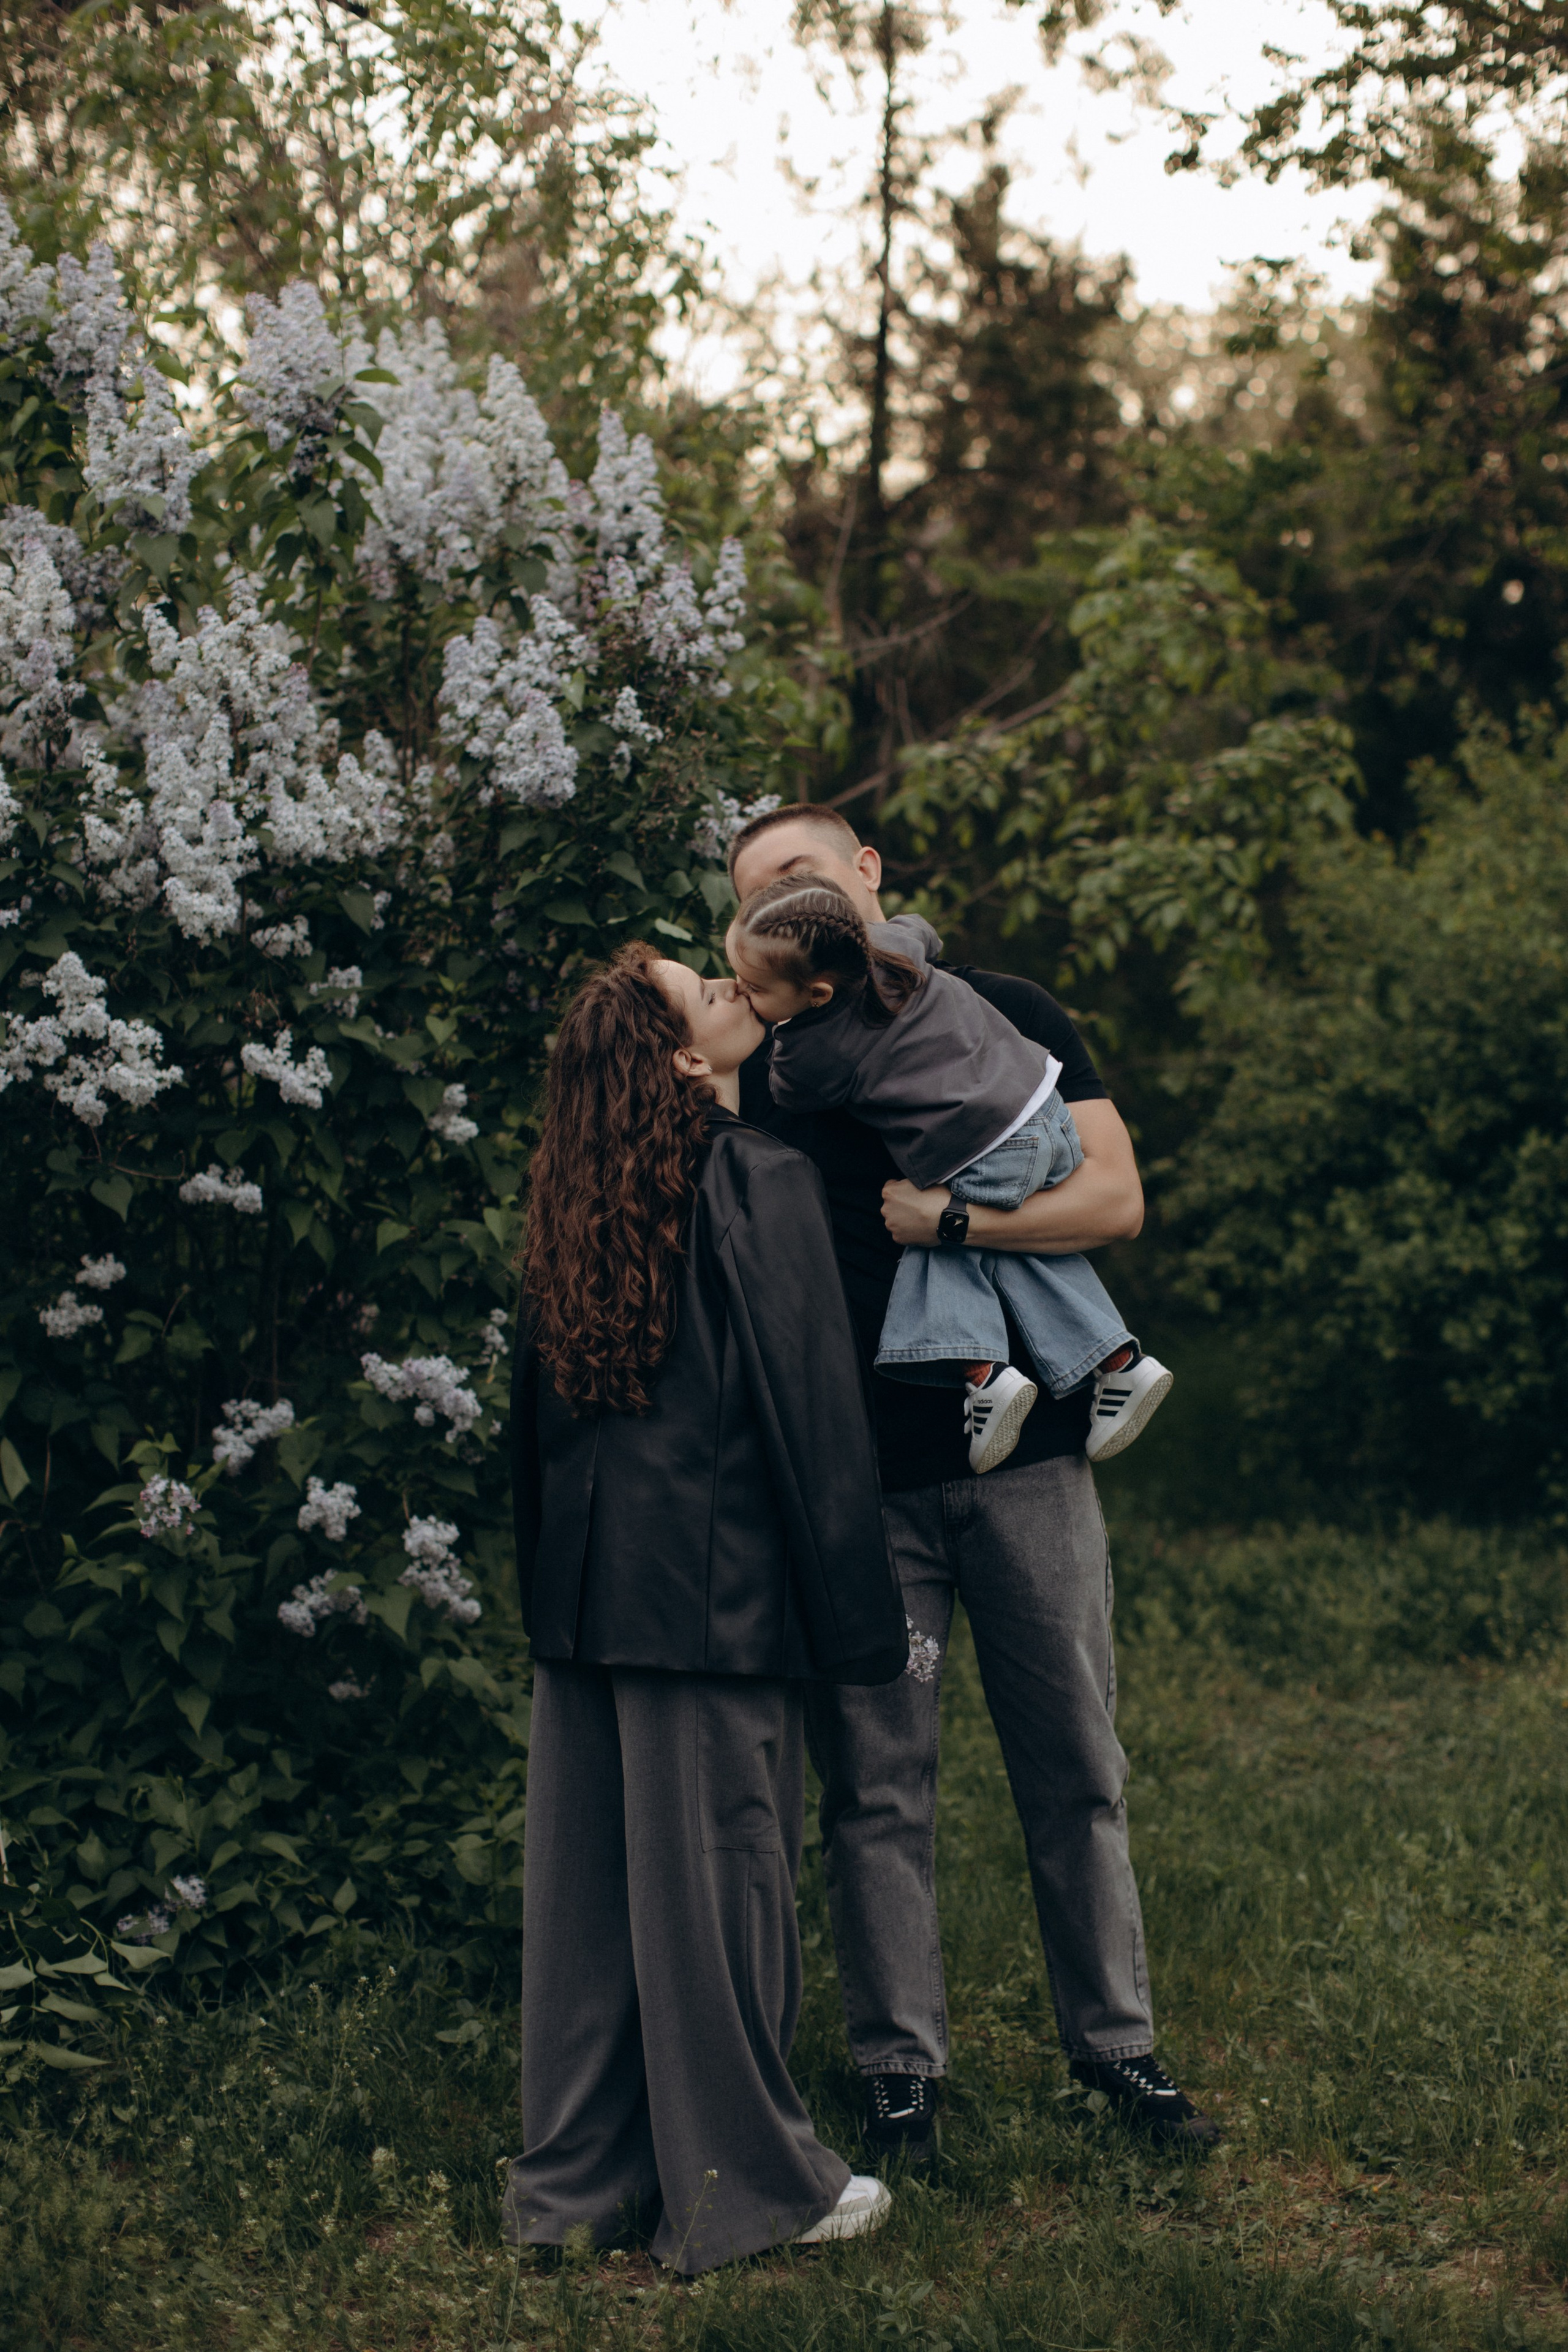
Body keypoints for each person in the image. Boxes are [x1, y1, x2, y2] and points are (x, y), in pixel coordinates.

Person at [729, 805, 1220, 2165]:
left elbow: (1111, 1197)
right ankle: (898, 2077)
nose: (785, 895)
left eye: (801, 870)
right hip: (861, 1483)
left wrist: (947, 1217)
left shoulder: (999, 1007)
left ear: (864, 874)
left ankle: (1118, 2052)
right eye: (757, 888)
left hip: (1029, 1471)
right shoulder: (774, 1061)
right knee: (877, 1789)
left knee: (1074, 1761)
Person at [504, 941, 909, 2275]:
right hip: (712, 1605)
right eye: (712, 995)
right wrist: (854, 1628)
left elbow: (529, 1437)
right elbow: (814, 1420)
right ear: (685, 1061)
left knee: (587, 1913)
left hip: (582, 1608)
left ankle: (574, 2189)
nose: (738, 995)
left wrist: (544, 1601)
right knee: (722, 1888)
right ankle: (749, 2188)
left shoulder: (571, 1192)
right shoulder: (758, 1179)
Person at [726, 874, 1173, 1473]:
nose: (740, 991)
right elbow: (922, 933)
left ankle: (984, 1374)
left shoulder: (816, 1050)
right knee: (1011, 1248)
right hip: (1043, 1112)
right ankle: (1119, 1362)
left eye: (754, 986)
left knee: (940, 1246)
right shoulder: (893, 947)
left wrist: (776, 1033)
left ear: (817, 993)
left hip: (986, 1145)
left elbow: (793, 1090)